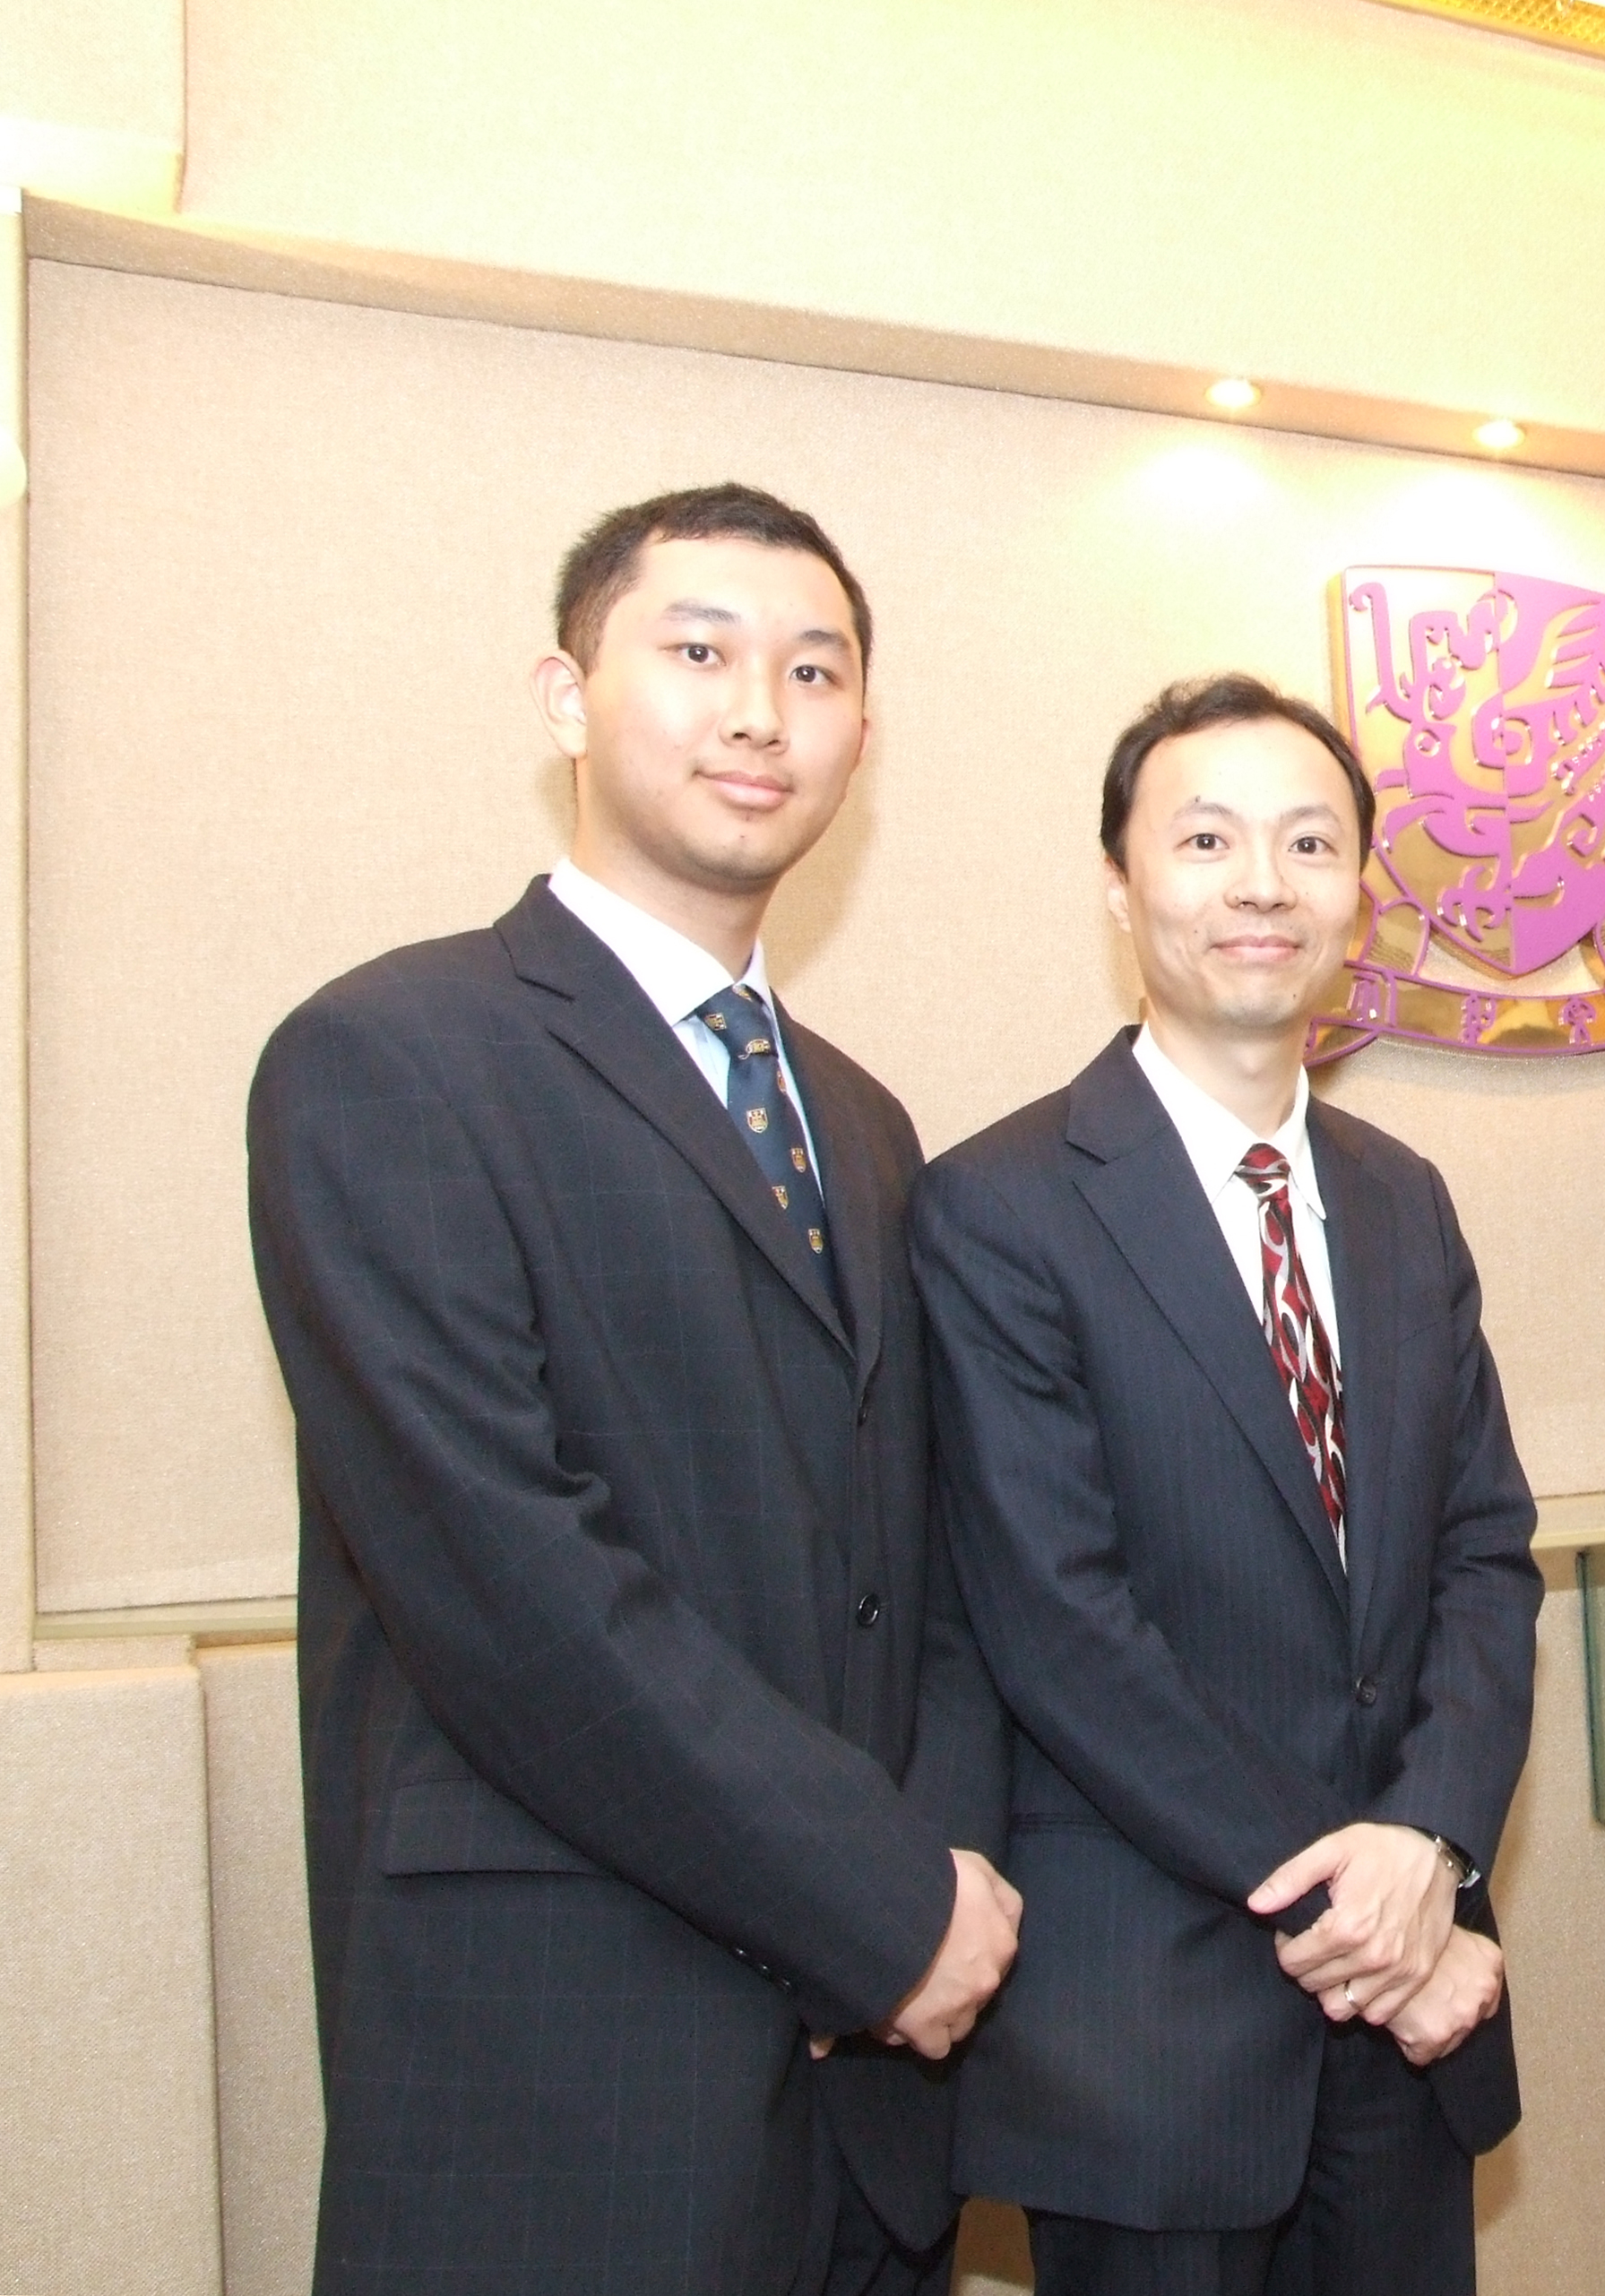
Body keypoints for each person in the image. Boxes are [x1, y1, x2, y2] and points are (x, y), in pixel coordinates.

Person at [247, 484, 1020, 2296]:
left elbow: (934, 1574)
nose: (761, 710)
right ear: (565, 694)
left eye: (813, 670)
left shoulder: (864, 1120)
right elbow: (512, 1582)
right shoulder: (389, 1060)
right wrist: (878, 1904)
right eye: (698, 653)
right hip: (567, 2056)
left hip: (869, 2088)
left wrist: (953, 1881)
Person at [912, 672, 1542, 2296]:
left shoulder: (1404, 1201)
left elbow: (1487, 1554)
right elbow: (1059, 1622)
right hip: (1153, 2031)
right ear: (1121, 886)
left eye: (1308, 842)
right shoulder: (1000, 1205)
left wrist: (1433, 1839)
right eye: (1205, 838)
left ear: (1355, 893)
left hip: (1403, 2019)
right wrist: (1367, 1901)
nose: (1261, 882)